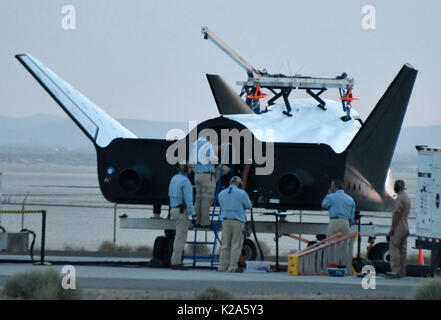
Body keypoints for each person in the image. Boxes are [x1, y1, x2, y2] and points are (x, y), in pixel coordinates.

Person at [217, 176, 252, 272]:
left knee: (225, 245)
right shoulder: (242, 193)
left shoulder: (221, 193)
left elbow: (221, 203)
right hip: (237, 221)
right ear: (239, 184)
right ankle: (232, 267)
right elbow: (249, 206)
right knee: (236, 245)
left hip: (225, 221)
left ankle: (221, 266)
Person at [168, 163, 196, 270]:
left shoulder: (174, 178)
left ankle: (175, 260)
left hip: (173, 209)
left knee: (178, 236)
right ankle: (176, 262)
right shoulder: (185, 182)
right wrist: (193, 215)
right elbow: (188, 201)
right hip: (181, 211)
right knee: (180, 237)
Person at [189, 135, 218, 228]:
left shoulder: (193, 145)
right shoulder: (208, 145)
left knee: (198, 199)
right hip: (206, 175)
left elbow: (191, 162)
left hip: (197, 175)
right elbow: (214, 161)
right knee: (206, 199)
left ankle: (197, 220)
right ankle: (205, 222)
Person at [386, 180, 411, 278]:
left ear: (396, 187)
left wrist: (392, 228)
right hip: (405, 224)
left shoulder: (400, 198)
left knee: (394, 247)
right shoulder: (407, 198)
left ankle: (395, 270)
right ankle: (402, 271)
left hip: (399, 225)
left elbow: (396, 213)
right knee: (402, 249)